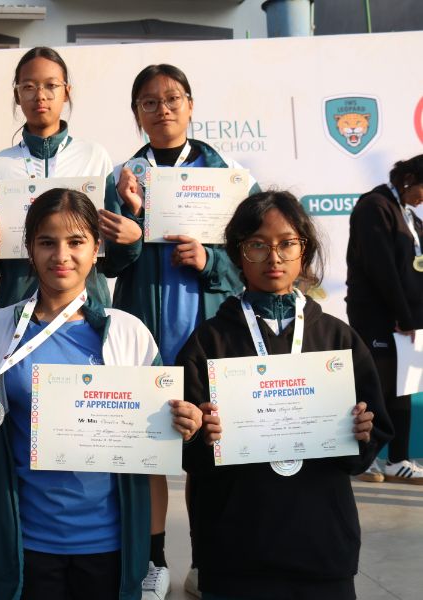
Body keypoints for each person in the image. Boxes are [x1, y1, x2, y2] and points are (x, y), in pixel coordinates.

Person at [0, 188, 202, 600]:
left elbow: (158, 440)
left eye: (76, 242)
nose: (61, 255)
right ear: (30, 249)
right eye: (47, 242)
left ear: (97, 248)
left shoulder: (128, 332)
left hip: (111, 545)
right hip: (27, 542)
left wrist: (184, 425)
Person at [178, 190, 392, 599]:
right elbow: (186, 452)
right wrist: (199, 435)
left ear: (303, 250)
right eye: (257, 245)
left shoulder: (337, 338)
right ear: (237, 254)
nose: (273, 258)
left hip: (322, 548)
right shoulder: (209, 341)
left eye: (287, 243)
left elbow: (372, 435)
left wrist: (361, 434)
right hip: (235, 551)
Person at [103, 63, 261, 599]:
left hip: (208, 339)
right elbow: (103, 264)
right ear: (137, 113)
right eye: (149, 102)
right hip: (144, 339)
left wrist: (211, 260)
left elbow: (257, 257)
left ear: (191, 105)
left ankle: (205, 562)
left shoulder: (228, 176)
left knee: (207, 456)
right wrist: (129, 236)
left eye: (172, 99)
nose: (162, 109)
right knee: (148, 454)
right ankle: (154, 562)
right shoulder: (123, 178)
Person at [0, 46, 141, 310]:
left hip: (86, 310)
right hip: (19, 311)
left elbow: (111, 261)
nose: (40, 95)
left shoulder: (94, 156)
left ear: (66, 92)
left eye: (51, 85)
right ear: (17, 95)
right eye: (29, 87)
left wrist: (131, 241)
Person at [347, 154, 423, 484]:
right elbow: (382, 269)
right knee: (373, 387)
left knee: (402, 388)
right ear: (408, 179)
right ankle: (362, 460)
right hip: (377, 316)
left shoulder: (409, 215)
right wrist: (403, 315)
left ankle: (397, 459)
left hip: (405, 320)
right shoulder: (374, 207)